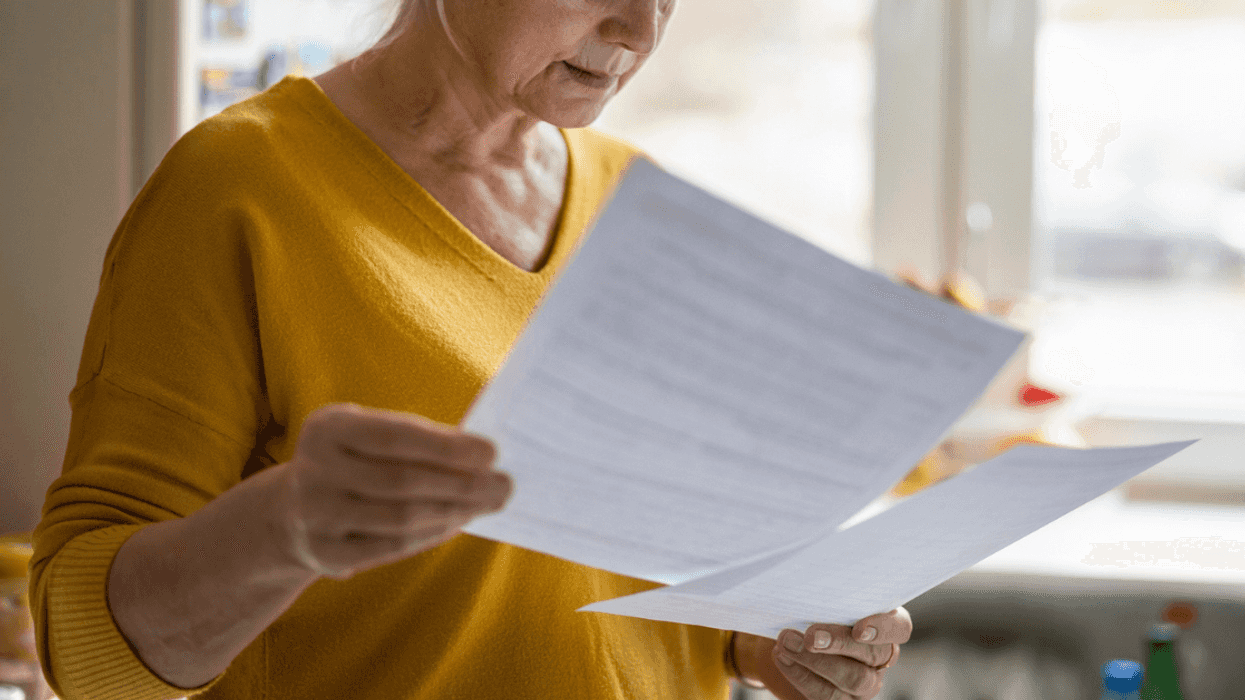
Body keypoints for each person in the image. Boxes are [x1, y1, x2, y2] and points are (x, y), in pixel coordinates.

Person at [29, 0, 912, 698]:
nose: (640, 29)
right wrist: (282, 528)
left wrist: (769, 639)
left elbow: (643, 578)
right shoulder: (237, 189)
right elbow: (88, 655)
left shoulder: (638, 201)